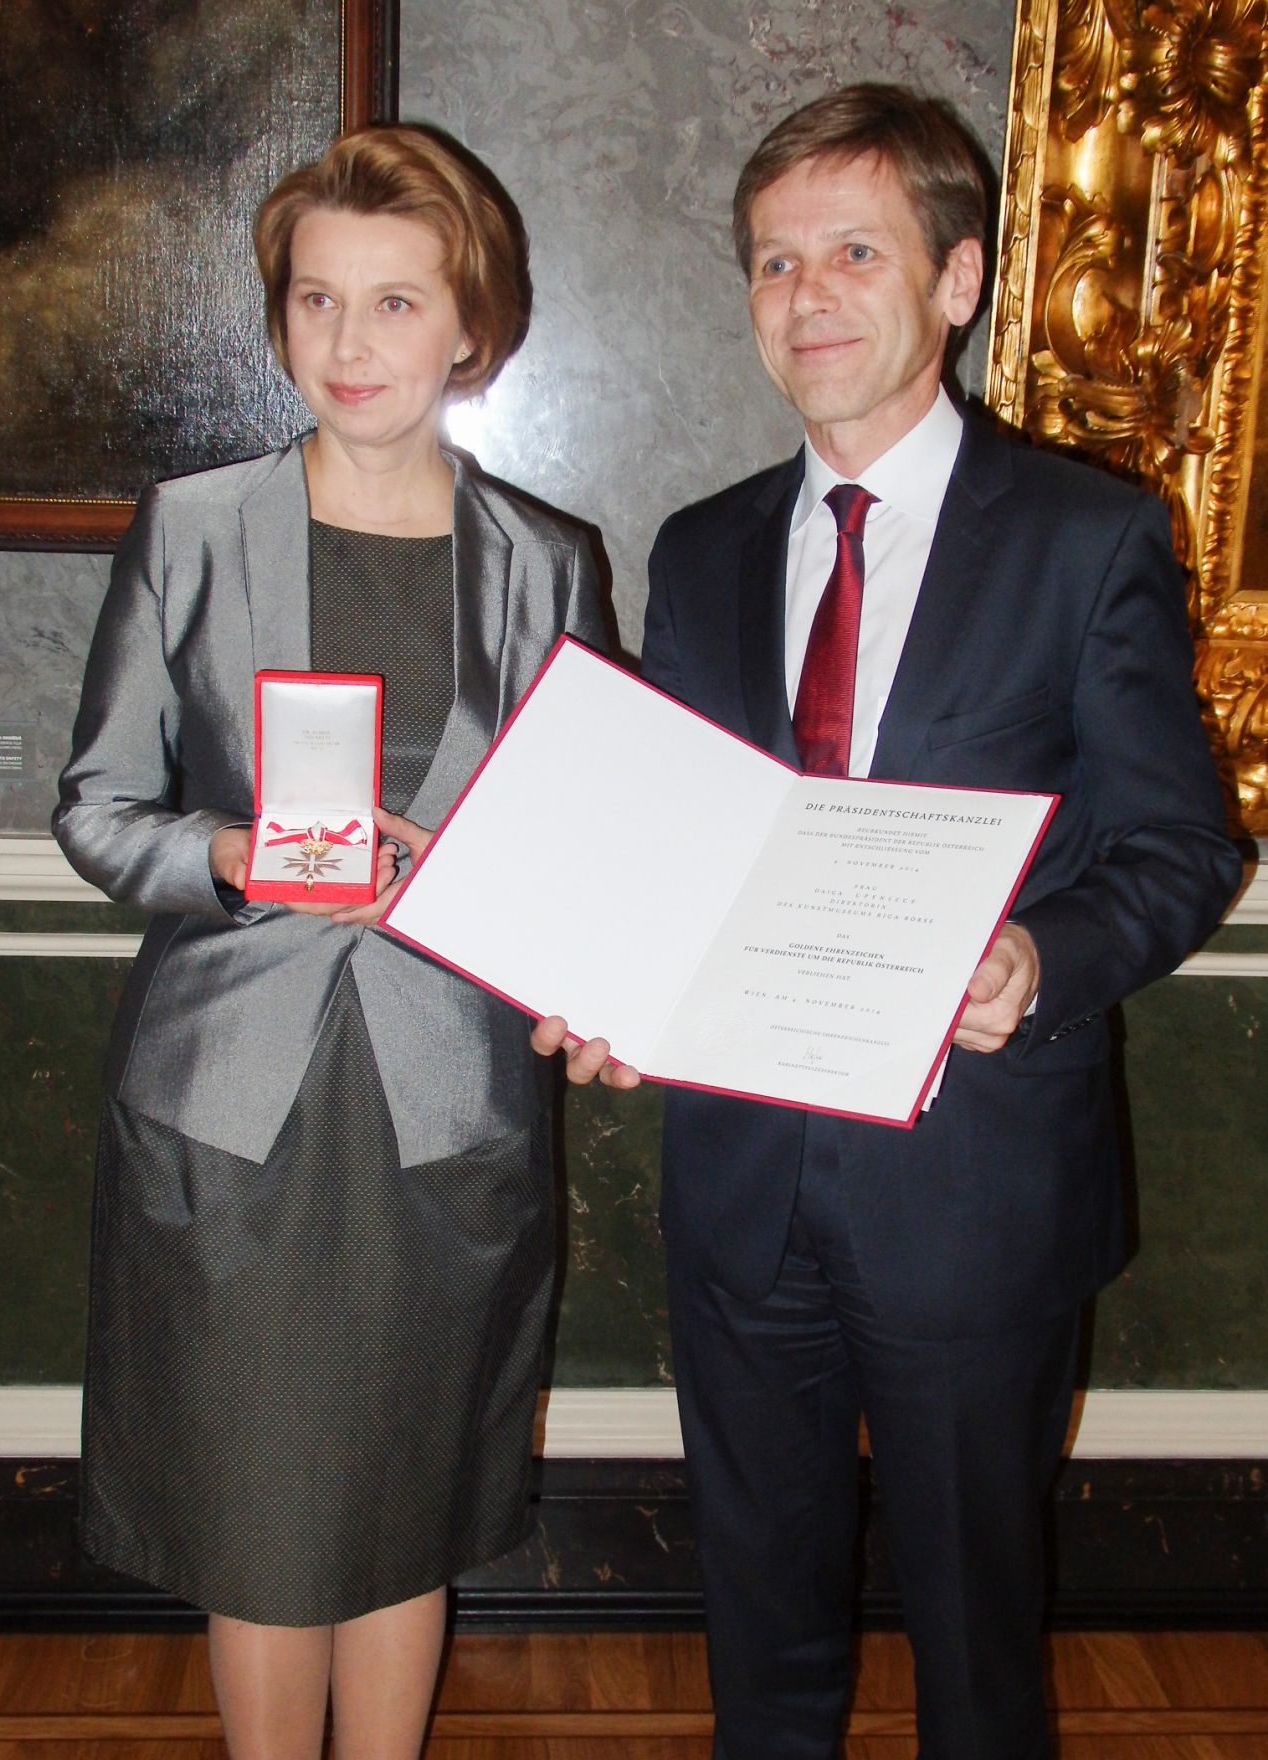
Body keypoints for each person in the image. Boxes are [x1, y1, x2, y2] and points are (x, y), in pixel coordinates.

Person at [534, 84, 1241, 1759]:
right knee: (761, 1653)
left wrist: (1040, 959)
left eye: (856, 250)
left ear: (961, 280)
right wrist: (602, 981)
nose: (808, 296)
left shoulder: (1090, 539)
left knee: (979, 1662)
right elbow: (673, 846)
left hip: (974, 1196)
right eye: (774, 263)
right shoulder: (699, 551)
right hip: (741, 1191)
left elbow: (1180, 843)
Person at [55, 124, 603, 1760]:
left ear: (468, 327)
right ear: (281, 319)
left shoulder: (546, 566)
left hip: (448, 1116)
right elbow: (96, 810)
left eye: (394, 304)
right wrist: (232, 852)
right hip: (233, 1113)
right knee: (264, 1520)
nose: (350, 345)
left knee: (404, 1504)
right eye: (316, 302)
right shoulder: (195, 527)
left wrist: (493, 885)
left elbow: (575, 854)